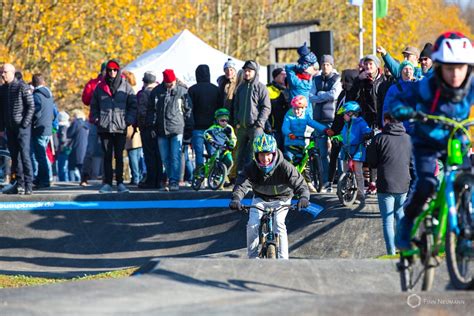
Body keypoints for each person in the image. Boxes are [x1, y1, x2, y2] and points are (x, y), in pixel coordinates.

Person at [389, 31, 474, 250]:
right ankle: (406, 224)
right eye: (449, 68)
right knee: (426, 183)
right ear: (438, 68)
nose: (455, 74)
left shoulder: (470, 86)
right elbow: (400, 99)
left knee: (467, 181)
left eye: (460, 68)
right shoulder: (427, 86)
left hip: (455, 140)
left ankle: (466, 229)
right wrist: (402, 110)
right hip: (427, 142)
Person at [229, 133, 310, 259]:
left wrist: (304, 197)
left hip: (282, 199)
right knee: (252, 225)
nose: (265, 158)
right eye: (261, 154)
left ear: (274, 153)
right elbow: (241, 185)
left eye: (268, 154)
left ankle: (284, 260)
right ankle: (252, 257)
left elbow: (300, 184)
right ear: (256, 155)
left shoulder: (285, 167)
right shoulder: (251, 168)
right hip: (260, 198)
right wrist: (236, 199)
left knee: (279, 224)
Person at [366, 113, 412, 255]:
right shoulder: (408, 139)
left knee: (387, 221)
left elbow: (371, 163)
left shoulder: (379, 138)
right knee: (400, 217)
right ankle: (404, 249)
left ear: (386, 120)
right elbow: (412, 162)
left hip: (385, 184)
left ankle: (391, 253)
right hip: (403, 183)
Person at [90, 59, 137, 193]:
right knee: (107, 156)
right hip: (104, 127)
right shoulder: (100, 87)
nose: (112, 72)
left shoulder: (126, 86)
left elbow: (133, 105)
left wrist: (128, 120)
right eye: (110, 70)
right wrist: (96, 119)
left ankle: (120, 183)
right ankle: (108, 184)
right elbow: (94, 105)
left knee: (119, 156)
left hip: (120, 126)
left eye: (115, 70)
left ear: (118, 70)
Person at [147, 69, 193, 192]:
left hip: (177, 128)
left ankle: (174, 181)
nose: (170, 85)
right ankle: (170, 178)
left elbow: (188, 111)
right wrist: (152, 126)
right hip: (161, 129)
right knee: (165, 158)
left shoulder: (182, 91)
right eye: (168, 83)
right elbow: (151, 110)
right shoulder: (157, 92)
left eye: (172, 82)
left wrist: (188, 129)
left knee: (175, 156)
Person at [0, 63, 35, 195]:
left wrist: (24, 124)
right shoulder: (2, 89)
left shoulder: (22, 87)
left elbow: (31, 107)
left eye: (5, 72)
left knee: (25, 156)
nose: (2, 74)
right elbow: (1, 110)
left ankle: (29, 184)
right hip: (10, 128)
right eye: (1, 72)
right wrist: (2, 127)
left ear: (12, 73)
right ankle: (19, 184)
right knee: (15, 157)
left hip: (22, 128)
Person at [309, 55, 342, 191]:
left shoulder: (337, 78)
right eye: (323, 64)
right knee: (322, 153)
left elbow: (334, 95)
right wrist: (324, 95)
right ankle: (326, 183)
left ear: (332, 65)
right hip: (318, 121)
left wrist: (319, 95)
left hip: (333, 120)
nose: (325, 67)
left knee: (337, 153)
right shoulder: (315, 79)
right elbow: (310, 97)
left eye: (328, 64)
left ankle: (341, 182)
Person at [282, 95, 327, 192]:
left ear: (304, 108)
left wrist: (325, 129)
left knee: (305, 163)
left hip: (301, 143)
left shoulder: (305, 116)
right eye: (295, 109)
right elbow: (284, 127)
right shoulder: (289, 115)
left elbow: (313, 123)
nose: (296, 111)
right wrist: (289, 133)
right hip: (291, 143)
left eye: (299, 109)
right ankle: (288, 182)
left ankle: (309, 183)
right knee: (291, 160)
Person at [233, 60, 271, 175]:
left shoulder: (261, 88)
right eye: (245, 71)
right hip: (242, 127)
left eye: (249, 71)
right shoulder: (241, 88)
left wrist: (260, 123)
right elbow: (236, 106)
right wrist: (236, 121)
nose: (247, 73)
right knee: (239, 154)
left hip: (256, 127)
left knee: (254, 154)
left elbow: (266, 107)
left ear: (255, 72)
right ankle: (239, 178)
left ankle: (255, 178)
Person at [331, 101, 372, 204]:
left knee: (358, 173)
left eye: (344, 114)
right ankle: (346, 191)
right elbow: (342, 135)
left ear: (351, 113)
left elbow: (367, 131)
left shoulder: (361, 123)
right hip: (346, 151)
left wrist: (368, 134)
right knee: (346, 172)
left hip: (357, 150)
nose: (343, 117)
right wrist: (336, 138)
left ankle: (360, 194)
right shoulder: (346, 125)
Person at [327, 69, 359, 193]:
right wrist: (333, 130)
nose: (341, 82)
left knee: (352, 159)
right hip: (339, 130)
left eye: (344, 80)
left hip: (352, 132)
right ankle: (330, 182)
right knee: (334, 155)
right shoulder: (342, 94)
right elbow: (338, 114)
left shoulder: (355, 94)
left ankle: (354, 184)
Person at [189, 64, 221, 170]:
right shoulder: (216, 90)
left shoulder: (192, 90)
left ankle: (200, 178)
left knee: (199, 155)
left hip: (197, 127)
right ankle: (213, 176)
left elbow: (189, 110)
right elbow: (220, 108)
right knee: (213, 153)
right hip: (212, 127)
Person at [80, 62, 106, 186]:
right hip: (95, 121)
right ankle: (85, 176)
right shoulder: (93, 83)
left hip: (108, 121)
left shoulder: (117, 83)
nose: (110, 73)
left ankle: (107, 177)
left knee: (107, 149)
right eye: (107, 70)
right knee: (90, 149)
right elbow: (85, 99)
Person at [137, 71, 164, 189]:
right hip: (160, 127)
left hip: (148, 128)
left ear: (144, 82)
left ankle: (151, 180)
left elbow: (142, 113)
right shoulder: (160, 92)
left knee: (149, 155)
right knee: (158, 155)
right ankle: (159, 180)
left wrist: (142, 126)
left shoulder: (144, 94)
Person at [31, 74, 55, 188]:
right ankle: (41, 178)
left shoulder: (36, 95)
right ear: (43, 82)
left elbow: (36, 112)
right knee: (43, 154)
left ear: (33, 83)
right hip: (47, 128)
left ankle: (44, 180)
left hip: (38, 128)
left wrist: (31, 121)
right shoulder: (49, 94)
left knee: (40, 156)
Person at [285, 42, 319, 116]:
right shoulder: (310, 81)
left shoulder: (295, 82)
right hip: (308, 113)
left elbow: (288, 67)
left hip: (295, 113)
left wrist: (298, 67)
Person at [204, 108, 237, 173]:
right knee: (214, 163)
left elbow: (233, 137)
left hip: (225, 150)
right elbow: (206, 133)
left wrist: (232, 143)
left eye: (226, 120)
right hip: (215, 150)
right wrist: (210, 139)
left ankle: (224, 175)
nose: (224, 122)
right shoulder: (213, 128)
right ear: (217, 120)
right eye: (222, 120)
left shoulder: (229, 128)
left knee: (230, 161)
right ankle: (211, 173)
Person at [266, 67, 289, 150]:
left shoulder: (288, 89)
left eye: (285, 74)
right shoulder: (268, 89)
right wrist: (268, 126)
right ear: (275, 77)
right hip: (274, 128)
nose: (285, 76)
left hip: (287, 127)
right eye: (282, 74)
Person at [67, 109, 89, 181]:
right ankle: (83, 180)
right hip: (84, 147)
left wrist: (70, 125)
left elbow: (69, 134)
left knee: (71, 167)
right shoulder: (86, 124)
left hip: (75, 146)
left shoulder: (76, 123)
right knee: (81, 165)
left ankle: (71, 182)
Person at [56, 111, 70, 182]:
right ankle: (65, 180)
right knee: (65, 167)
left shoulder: (62, 128)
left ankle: (63, 181)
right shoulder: (68, 126)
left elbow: (62, 139)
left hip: (62, 149)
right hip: (67, 148)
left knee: (62, 167)